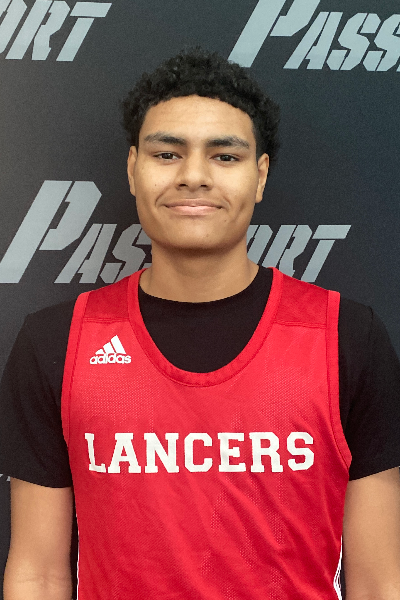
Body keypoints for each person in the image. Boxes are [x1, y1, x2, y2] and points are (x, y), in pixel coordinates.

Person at [1, 47, 400, 600]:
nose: (193, 176)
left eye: (225, 156)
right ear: (133, 169)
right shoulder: (57, 342)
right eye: (167, 154)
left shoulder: (346, 337)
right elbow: (39, 573)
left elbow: (379, 580)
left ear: (260, 176)